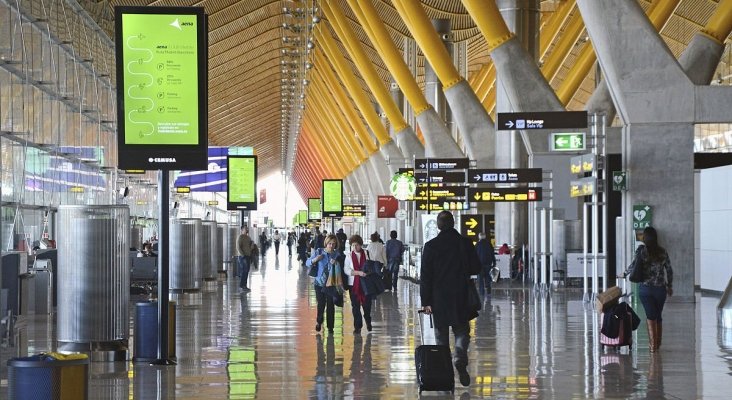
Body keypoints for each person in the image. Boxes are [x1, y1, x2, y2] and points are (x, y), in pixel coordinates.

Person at [420, 211, 481, 387]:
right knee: (462, 331)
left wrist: (426, 302)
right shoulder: (465, 243)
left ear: (438, 226)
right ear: (453, 223)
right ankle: (460, 356)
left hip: (439, 299)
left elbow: (426, 277)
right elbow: (476, 267)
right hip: (461, 296)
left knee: (441, 338)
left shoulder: (431, 246)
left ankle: (446, 374)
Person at [620, 227, 673, 352]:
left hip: (645, 290)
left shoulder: (642, 251)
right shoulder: (662, 252)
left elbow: (633, 266)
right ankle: (657, 344)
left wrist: (624, 273)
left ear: (645, 238)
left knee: (650, 316)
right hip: (660, 290)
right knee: (657, 315)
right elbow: (669, 270)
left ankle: (653, 346)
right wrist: (669, 285)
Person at [307, 234, 342, 334]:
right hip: (319, 283)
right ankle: (319, 321)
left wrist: (336, 263)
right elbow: (307, 262)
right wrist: (315, 259)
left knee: (331, 305)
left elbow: (341, 267)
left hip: (331, 284)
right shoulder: (319, 251)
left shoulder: (337, 255)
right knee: (321, 304)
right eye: (330, 243)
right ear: (326, 243)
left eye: (333, 244)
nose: (331, 246)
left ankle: (330, 327)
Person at [344, 234, 374, 334]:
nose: (354, 247)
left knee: (367, 305)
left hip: (366, 284)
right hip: (353, 285)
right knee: (355, 306)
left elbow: (371, 267)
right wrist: (358, 273)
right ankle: (358, 326)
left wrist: (367, 272)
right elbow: (346, 270)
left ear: (360, 245)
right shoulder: (349, 256)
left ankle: (368, 320)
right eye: (352, 245)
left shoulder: (366, 253)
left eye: (356, 245)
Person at [475, 232, 496, 296]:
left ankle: (482, 293)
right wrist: (494, 262)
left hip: (479, 265)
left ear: (479, 237)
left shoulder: (477, 245)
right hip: (488, 264)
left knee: (480, 279)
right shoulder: (489, 244)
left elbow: (474, 255)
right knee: (488, 277)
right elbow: (492, 254)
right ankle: (489, 292)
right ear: (485, 237)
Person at [236, 227, 254, 293]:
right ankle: (241, 286)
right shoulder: (240, 237)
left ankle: (244, 286)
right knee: (244, 271)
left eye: (247, 229)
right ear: (242, 230)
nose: (247, 230)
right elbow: (238, 247)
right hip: (242, 257)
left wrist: (252, 245)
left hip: (248, 256)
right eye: (246, 229)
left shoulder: (248, 238)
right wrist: (242, 255)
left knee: (246, 271)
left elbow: (251, 248)